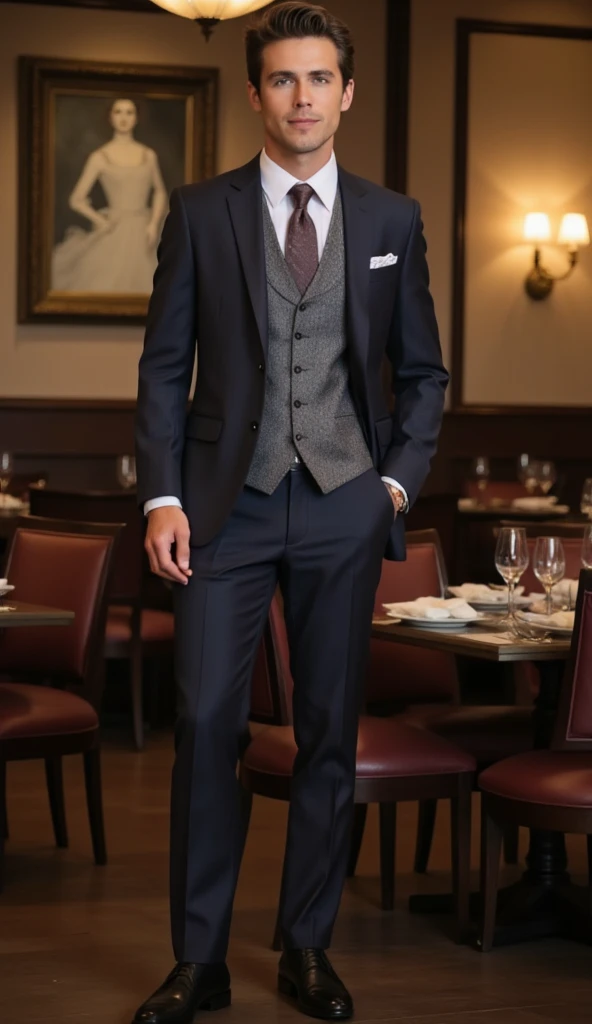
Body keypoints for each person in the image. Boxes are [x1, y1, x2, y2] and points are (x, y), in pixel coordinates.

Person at [134, 3, 448, 1022]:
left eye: (319, 79)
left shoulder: (393, 220)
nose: (302, 97)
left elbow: (424, 375)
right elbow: (164, 367)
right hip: (224, 509)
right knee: (206, 721)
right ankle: (199, 959)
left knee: (326, 730)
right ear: (257, 91)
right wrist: (165, 495)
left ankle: (307, 945)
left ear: (345, 92)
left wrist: (390, 488)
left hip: (341, 507)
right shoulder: (199, 210)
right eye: (282, 79)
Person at [51, 98, 167, 294]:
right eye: (118, 112)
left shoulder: (148, 155)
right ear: (110, 117)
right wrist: (100, 220)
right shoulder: (100, 157)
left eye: (129, 112)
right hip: (114, 229)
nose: (124, 117)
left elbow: (160, 191)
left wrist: (154, 224)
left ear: (137, 118)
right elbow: (76, 199)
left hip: (143, 230)